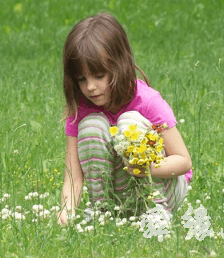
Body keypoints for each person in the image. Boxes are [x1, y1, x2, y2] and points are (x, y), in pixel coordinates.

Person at [58, 12, 192, 225]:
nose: (90, 87)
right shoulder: (81, 110)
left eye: (99, 76)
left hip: (163, 189)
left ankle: (155, 213)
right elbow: (73, 177)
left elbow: (184, 162)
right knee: (92, 125)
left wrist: (145, 168)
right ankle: (102, 212)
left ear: (119, 66)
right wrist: (66, 211)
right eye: (82, 79)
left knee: (129, 122)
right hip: (121, 196)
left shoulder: (147, 101)